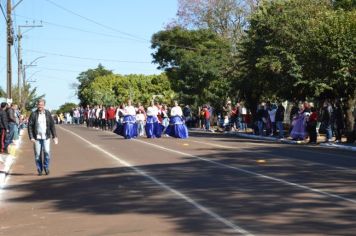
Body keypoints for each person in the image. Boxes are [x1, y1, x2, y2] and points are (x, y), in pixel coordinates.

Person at [28, 99, 58, 175]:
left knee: (47, 152)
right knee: (38, 155)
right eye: (39, 104)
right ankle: (39, 169)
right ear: (37, 105)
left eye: (41, 105)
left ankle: (46, 167)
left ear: (44, 105)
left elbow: (52, 125)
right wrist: (31, 137)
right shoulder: (33, 114)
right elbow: (30, 126)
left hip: (46, 137)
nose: (40, 106)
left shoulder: (48, 113)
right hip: (37, 138)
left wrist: (54, 136)